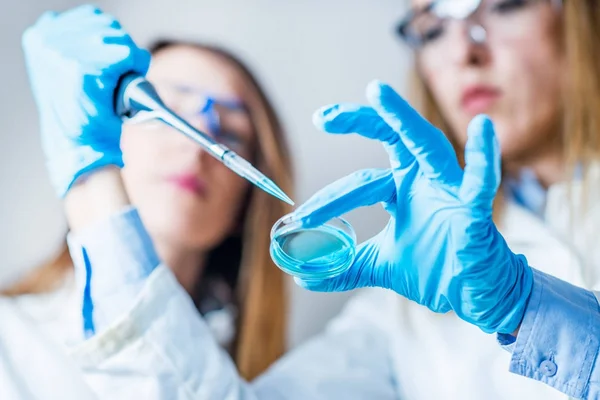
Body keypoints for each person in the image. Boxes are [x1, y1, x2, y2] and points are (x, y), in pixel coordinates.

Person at [7, 2, 599, 400]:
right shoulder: (393, 319)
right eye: (432, 26)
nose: (464, 51)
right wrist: (91, 181)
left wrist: (528, 309)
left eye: (504, 4)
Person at [1, 5, 293, 396]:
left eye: (232, 133)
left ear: (247, 205)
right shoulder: (10, 343)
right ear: (100, 127)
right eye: (163, 111)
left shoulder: (273, 384)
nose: (196, 142)